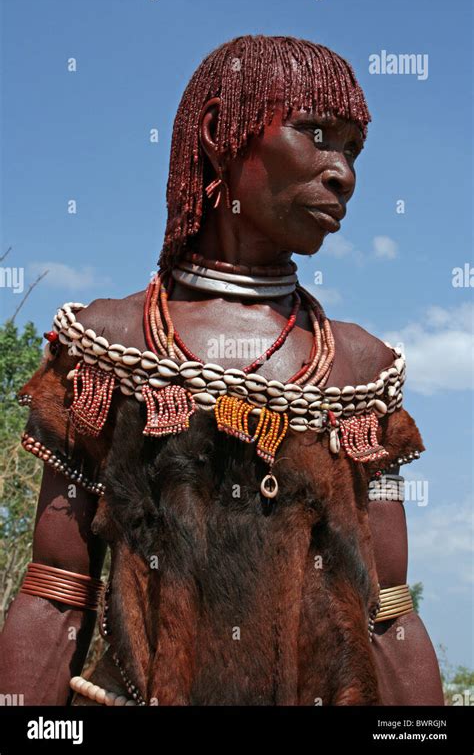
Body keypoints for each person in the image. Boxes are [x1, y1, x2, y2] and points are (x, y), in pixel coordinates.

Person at [0, 35, 444, 706]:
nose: (342, 172)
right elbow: (57, 590)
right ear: (218, 135)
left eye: (352, 149)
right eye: (317, 134)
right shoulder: (109, 347)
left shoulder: (358, 370)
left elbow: (388, 610)